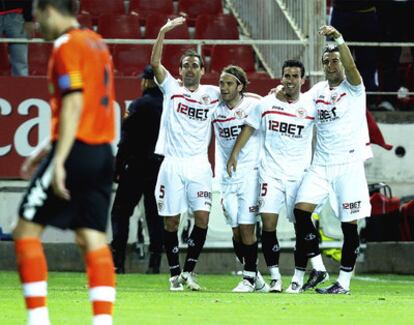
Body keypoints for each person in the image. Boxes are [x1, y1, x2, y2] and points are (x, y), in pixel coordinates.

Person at [13, 1, 116, 324]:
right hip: (102, 152)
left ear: (48, 9)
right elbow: (86, 105)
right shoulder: (96, 43)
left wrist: (58, 159)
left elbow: (72, 102)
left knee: (26, 229)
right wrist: (45, 148)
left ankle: (38, 319)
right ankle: (103, 321)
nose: (34, 23)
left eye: (35, 14)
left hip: (75, 152)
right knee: (91, 237)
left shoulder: (65, 45)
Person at [228, 60, 321, 294]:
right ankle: (276, 278)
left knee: (301, 225)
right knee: (268, 224)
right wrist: (235, 154)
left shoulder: (311, 105)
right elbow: (248, 127)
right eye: (286, 75)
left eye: (294, 76)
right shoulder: (266, 103)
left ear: (302, 80)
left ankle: (298, 277)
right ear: (281, 78)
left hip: (299, 175)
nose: (289, 80)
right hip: (271, 173)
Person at [293, 25, 372, 294]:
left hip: (348, 164)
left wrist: (338, 39)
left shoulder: (354, 88)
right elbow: (297, 105)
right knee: (300, 211)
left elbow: (351, 66)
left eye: (334, 60)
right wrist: (274, 97)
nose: (329, 65)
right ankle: (318, 267)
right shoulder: (317, 91)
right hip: (321, 165)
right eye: (325, 61)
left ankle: (344, 283)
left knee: (349, 226)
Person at [150, 17, 220, 291]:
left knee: (202, 218)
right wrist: (162, 31)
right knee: (171, 221)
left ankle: (189, 272)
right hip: (173, 164)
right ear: (178, 71)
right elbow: (155, 64)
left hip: (200, 165)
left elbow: (239, 94)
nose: (190, 69)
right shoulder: (172, 89)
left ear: (203, 70)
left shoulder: (213, 93)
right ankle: (173, 273)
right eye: (185, 66)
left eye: (195, 65)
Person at [211, 65, 269, 293]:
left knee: (247, 229)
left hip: (250, 176)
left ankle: (247, 279)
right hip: (226, 179)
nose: (223, 88)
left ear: (240, 86)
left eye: (228, 83)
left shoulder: (254, 105)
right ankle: (256, 278)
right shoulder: (215, 108)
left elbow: (273, 105)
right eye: (221, 83)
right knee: (235, 231)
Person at [111, 64, 164, 275]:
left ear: (148, 81)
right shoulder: (169, 106)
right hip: (159, 168)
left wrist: (117, 167)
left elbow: (126, 140)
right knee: (155, 216)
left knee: (120, 213)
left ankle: (118, 262)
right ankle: (155, 264)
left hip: (135, 167)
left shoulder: (137, 105)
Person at [329, 0, 379, 107]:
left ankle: (368, 99)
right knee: (337, 59)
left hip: (367, 12)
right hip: (341, 12)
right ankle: (336, 97)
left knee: (368, 60)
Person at [0, 0, 35, 76]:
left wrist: (28, 19)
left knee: (20, 60)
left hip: (16, 15)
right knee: (20, 62)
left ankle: (22, 86)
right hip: (17, 16)